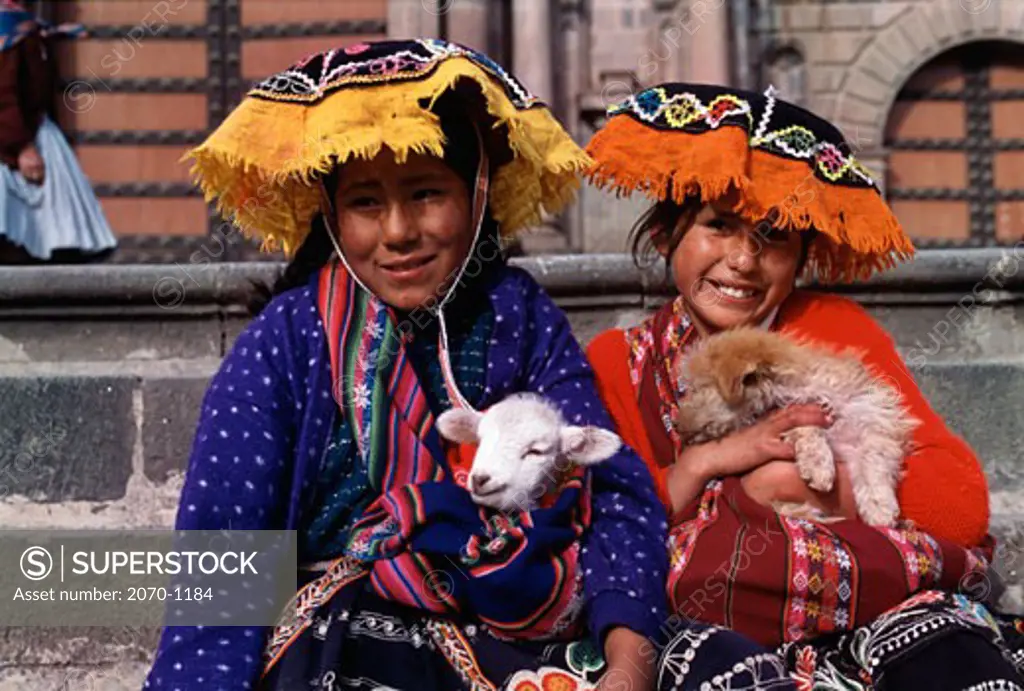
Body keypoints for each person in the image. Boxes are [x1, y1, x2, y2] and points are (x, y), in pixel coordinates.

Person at [142, 39, 668, 691]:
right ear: (331, 214)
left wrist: (628, 663)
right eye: (366, 202)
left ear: (477, 195)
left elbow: (613, 490)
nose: (397, 231)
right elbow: (223, 559)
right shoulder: (283, 342)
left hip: (518, 614)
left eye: (425, 193)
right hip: (345, 642)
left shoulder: (520, 317)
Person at [582, 82, 1024, 689]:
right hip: (712, 615)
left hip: (867, 596)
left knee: (947, 647)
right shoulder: (617, 363)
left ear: (802, 257)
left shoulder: (834, 329)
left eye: (775, 236)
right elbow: (603, 520)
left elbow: (959, 508)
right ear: (668, 233)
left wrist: (800, 485)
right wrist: (713, 464)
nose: (743, 260)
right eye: (719, 226)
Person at [0, 0, 116, 263]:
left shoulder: (22, 24)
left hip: (35, 131)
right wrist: (22, 148)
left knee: (55, 234)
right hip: (13, 139)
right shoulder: (5, 27)